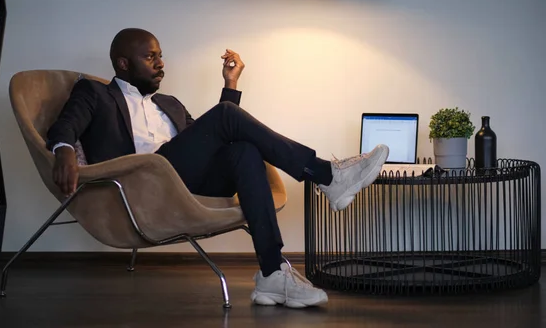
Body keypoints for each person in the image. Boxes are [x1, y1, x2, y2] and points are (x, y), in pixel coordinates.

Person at [47, 28, 389, 309]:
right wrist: (64, 150)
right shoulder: (94, 93)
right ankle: (327, 176)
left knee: (242, 150)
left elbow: (216, 137)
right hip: (140, 186)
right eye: (150, 57)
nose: (161, 63)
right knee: (227, 120)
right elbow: (65, 125)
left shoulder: (170, 104)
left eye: (160, 55)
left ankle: (272, 273)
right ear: (122, 63)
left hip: (186, 184)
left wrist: (231, 85)